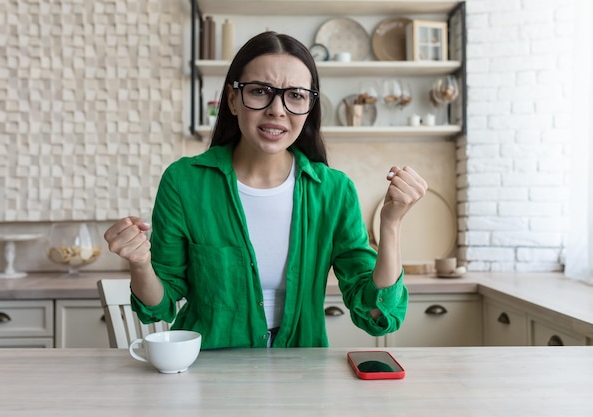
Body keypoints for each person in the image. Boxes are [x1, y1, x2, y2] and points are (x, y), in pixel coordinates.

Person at [104, 31, 427, 349]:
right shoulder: (184, 181)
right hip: (208, 368)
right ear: (232, 100)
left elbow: (375, 314)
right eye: (260, 91)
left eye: (296, 95)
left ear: (310, 107)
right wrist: (141, 263)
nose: (277, 109)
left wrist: (391, 224)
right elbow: (159, 306)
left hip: (299, 371)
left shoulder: (334, 190)